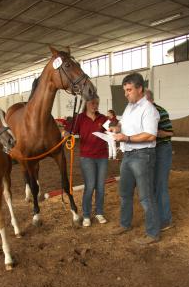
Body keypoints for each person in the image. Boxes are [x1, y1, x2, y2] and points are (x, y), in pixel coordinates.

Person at [109, 73, 160, 245]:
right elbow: (123, 125)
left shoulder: (149, 109)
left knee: (146, 197)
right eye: (125, 90)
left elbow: (151, 135)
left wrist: (126, 138)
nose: (126, 93)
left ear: (140, 89)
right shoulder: (129, 107)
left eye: (129, 90)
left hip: (143, 155)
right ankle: (125, 224)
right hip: (128, 155)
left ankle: (153, 233)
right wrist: (116, 129)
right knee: (125, 193)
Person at [66, 96, 109, 227]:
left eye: (97, 103)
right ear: (86, 104)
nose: (94, 105)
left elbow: (112, 129)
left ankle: (99, 212)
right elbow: (68, 131)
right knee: (90, 186)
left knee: (100, 187)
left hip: (102, 157)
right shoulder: (79, 118)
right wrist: (67, 133)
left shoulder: (103, 118)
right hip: (87, 157)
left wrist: (115, 128)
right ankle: (86, 214)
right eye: (92, 103)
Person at [145, 89, 174, 231]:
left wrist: (157, 133)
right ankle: (157, 215)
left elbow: (170, 132)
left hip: (162, 149)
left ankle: (166, 220)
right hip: (151, 150)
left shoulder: (160, 111)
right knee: (153, 184)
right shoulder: (144, 112)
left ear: (148, 99)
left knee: (160, 184)